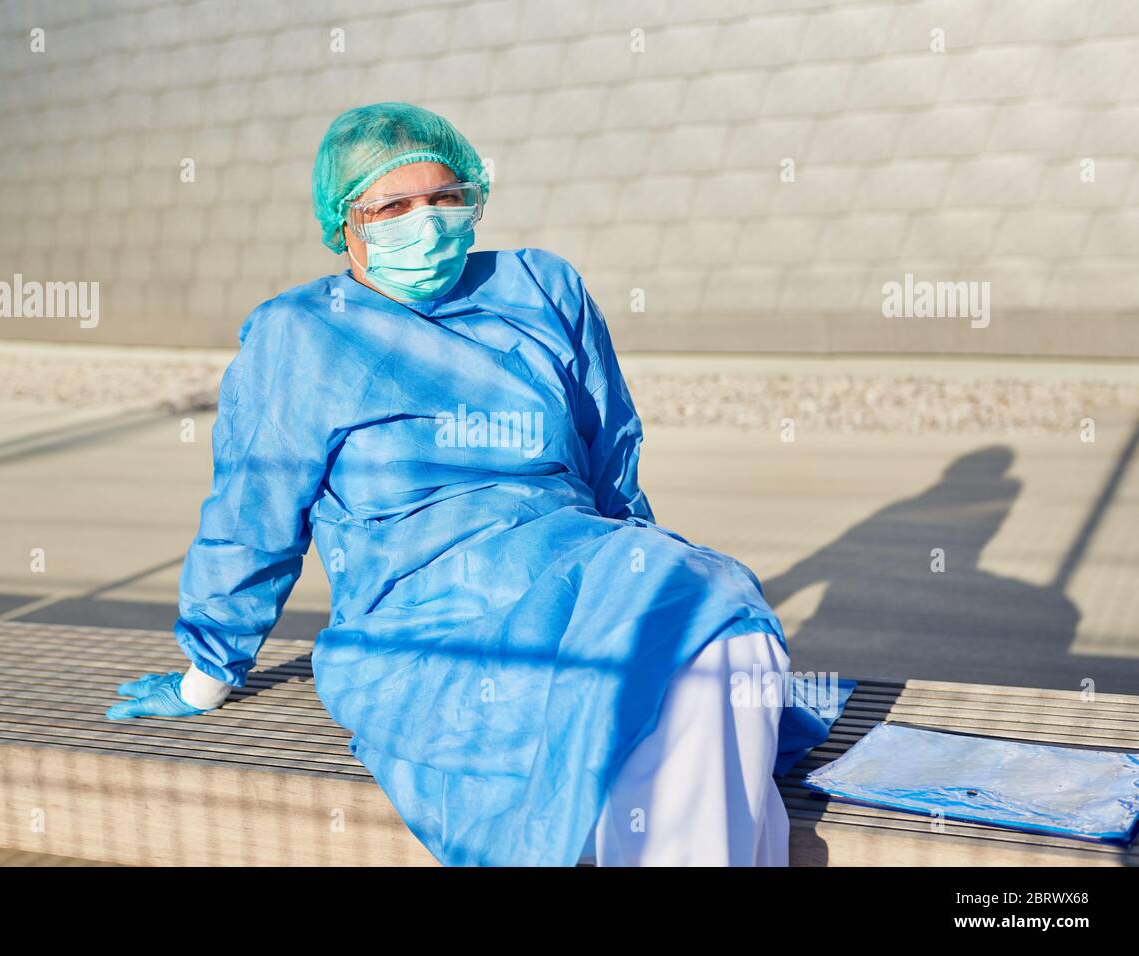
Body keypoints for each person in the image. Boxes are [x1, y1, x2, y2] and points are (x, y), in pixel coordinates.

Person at [107, 102, 840, 866]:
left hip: (574, 561)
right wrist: (209, 669)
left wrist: (636, 568)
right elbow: (252, 512)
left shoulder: (541, 288)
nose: (424, 222)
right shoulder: (302, 333)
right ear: (342, 223)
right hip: (428, 621)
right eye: (392, 205)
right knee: (661, 669)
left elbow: (610, 454)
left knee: (708, 604)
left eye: (446, 197)